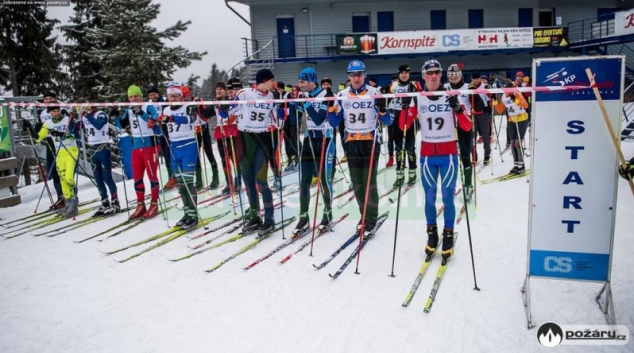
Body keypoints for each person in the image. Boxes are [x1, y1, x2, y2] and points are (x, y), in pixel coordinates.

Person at [416, 59, 473, 260]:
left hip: (448, 156)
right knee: (429, 197)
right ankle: (432, 235)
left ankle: (448, 235)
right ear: (423, 76)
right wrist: (404, 108)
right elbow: (404, 123)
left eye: (436, 73)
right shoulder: (418, 98)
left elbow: (467, 127)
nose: (433, 76)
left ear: (441, 75)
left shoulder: (451, 95)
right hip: (427, 157)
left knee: (448, 198)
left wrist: (457, 108)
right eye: (429, 73)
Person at [329, 60, 393, 237]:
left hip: (370, 142)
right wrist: (329, 109)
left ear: (364, 75)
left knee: (368, 182)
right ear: (348, 76)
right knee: (357, 183)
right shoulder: (342, 95)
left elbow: (389, 121)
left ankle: (371, 218)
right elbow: (334, 122)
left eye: (359, 74)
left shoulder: (375, 93)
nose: (356, 78)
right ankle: (363, 215)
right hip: (351, 143)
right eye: (352, 75)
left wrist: (382, 111)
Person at [220, 69, 284, 236]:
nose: (273, 83)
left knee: (261, 181)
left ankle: (269, 219)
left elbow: (278, 123)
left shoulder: (271, 97)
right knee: (248, 181)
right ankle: (255, 216)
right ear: (264, 81)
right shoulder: (244, 93)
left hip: (261, 139)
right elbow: (228, 113)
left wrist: (281, 107)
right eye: (272, 80)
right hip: (243, 139)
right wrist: (224, 106)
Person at [292, 67, 336, 235]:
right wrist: (297, 104)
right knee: (304, 180)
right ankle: (303, 217)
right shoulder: (305, 95)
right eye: (299, 81)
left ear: (312, 81)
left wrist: (307, 103)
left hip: (325, 139)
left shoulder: (326, 95)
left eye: (302, 81)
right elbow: (300, 112)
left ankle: (327, 214)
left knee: (324, 179)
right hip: (309, 139)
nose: (300, 84)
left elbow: (318, 119)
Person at [114, 84, 162, 220]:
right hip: (136, 146)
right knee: (137, 177)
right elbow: (121, 125)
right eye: (131, 97)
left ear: (141, 96)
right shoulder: (129, 109)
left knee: (152, 176)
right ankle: (140, 205)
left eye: (136, 96)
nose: (133, 99)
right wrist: (116, 115)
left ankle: (154, 203)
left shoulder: (148, 106)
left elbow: (154, 120)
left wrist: (141, 113)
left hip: (150, 145)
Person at [158, 85, 200, 229]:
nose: (173, 98)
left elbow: (192, 119)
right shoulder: (166, 109)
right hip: (174, 148)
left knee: (188, 182)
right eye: (171, 96)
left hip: (188, 147)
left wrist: (171, 118)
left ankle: (194, 215)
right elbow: (165, 126)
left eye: (176, 96)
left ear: (181, 97)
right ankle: (187, 213)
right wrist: (159, 123)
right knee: (180, 184)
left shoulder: (187, 106)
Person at [23, 92, 66, 210]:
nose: (48, 100)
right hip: (49, 143)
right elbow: (38, 131)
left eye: (50, 98)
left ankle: (71, 197)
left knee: (64, 172)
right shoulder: (43, 113)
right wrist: (29, 128)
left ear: (55, 99)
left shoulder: (60, 110)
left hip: (62, 144)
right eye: (46, 99)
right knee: (53, 171)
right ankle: (61, 197)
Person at [35, 106, 81, 218]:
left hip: (71, 150)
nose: (56, 113)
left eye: (58, 111)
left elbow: (76, 135)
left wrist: (61, 134)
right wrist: (31, 129)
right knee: (62, 179)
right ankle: (68, 202)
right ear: (50, 112)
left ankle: (74, 202)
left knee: (69, 177)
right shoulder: (48, 123)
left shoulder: (67, 119)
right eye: (54, 111)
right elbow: (38, 138)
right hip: (59, 153)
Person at [82, 106, 120, 217]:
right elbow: (75, 130)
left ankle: (115, 201)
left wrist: (88, 115)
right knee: (97, 178)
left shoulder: (101, 114)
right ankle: (104, 201)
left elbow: (99, 125)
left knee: (107, 177)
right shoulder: (84, 117)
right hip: (92, 148)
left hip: (103, 147)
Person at [444, 63, 475, 200]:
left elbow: (478, 104)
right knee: (449, 157)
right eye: (451, 75)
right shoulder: (444, 87)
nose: (453, 78)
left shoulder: (468, 87)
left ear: (461, 75)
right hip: (448, 125)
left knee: (465, 156)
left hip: (464, 123)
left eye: (456, 75)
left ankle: (468, 185)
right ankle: (450, 185)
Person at [389, 64, 422, 187]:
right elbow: (388, 100)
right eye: (401, 73)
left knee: (410, 147)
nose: (404, 75)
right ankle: (400, 174)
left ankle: (412, 173)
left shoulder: (413, 85)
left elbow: (420, 98)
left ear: (409, 74)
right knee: (398, 147)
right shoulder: (393, 86)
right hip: (397, 115)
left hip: (409, 115)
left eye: (406, 73)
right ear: (398, 74)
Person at [183, 85, 220, 190]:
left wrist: (198, 106)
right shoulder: (182, 103)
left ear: (191, 93)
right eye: (184, 96)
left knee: (209, 153)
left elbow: (206, 114)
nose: (186, 97)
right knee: (195, 156)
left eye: (187, 95)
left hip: (203, 128)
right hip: (192, 131)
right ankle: (199, 181)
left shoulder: (198, 100)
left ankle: (215, 177)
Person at [214, 79, 242, 195]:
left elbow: (234, 115)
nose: (219, 91)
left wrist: (225, 113)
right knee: (224, 159)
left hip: (232, 130)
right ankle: (228, 182)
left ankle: (238, 181)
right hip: (220, 132)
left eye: (221, 89)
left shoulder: (231, 101)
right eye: (217, 89)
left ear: (226, 91)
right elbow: (204, 116)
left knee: (234, 158)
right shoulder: (215, 102)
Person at [493, 88, 529, 175]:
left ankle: (521, 166)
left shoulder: (517, 93)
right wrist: (495, 101)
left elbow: (525, 105)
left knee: (518, 143)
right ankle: (516, 164)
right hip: (511, 120)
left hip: (521, 119)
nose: (507, 92)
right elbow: (500, 110)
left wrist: (515, 99)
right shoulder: (504, 97)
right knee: (512, 143)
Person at [469, 73, 492, 166]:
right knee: (472, 137)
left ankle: (487, 155)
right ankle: (474, 156)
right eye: (474, 79)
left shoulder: (484, 86)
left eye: (478, 79)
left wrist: (490, 91)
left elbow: (491, 97)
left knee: (485, 135)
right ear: (472, 79)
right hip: (473, 114)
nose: (476, 80)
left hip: (483, 113)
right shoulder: (469, 87)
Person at [283, 85, 302, 172]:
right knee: (287, 142)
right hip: (286, 122)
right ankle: (290, 160)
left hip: (295, 122)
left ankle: (297, 159)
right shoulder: (285, 96)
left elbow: (301, 110)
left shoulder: (300, 96)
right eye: (292, 91)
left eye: (295, 91)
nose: (293, 92)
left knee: (294, 140)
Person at [384, 75, 400, 168]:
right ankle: (390, 157)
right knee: (391, 138)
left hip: (400, 114)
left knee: (399, 138)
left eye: (396, 80)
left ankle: (400, 158)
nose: (395, 81)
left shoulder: (401, 88)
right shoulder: (389, 88)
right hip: (391, 114)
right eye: (393, 80)